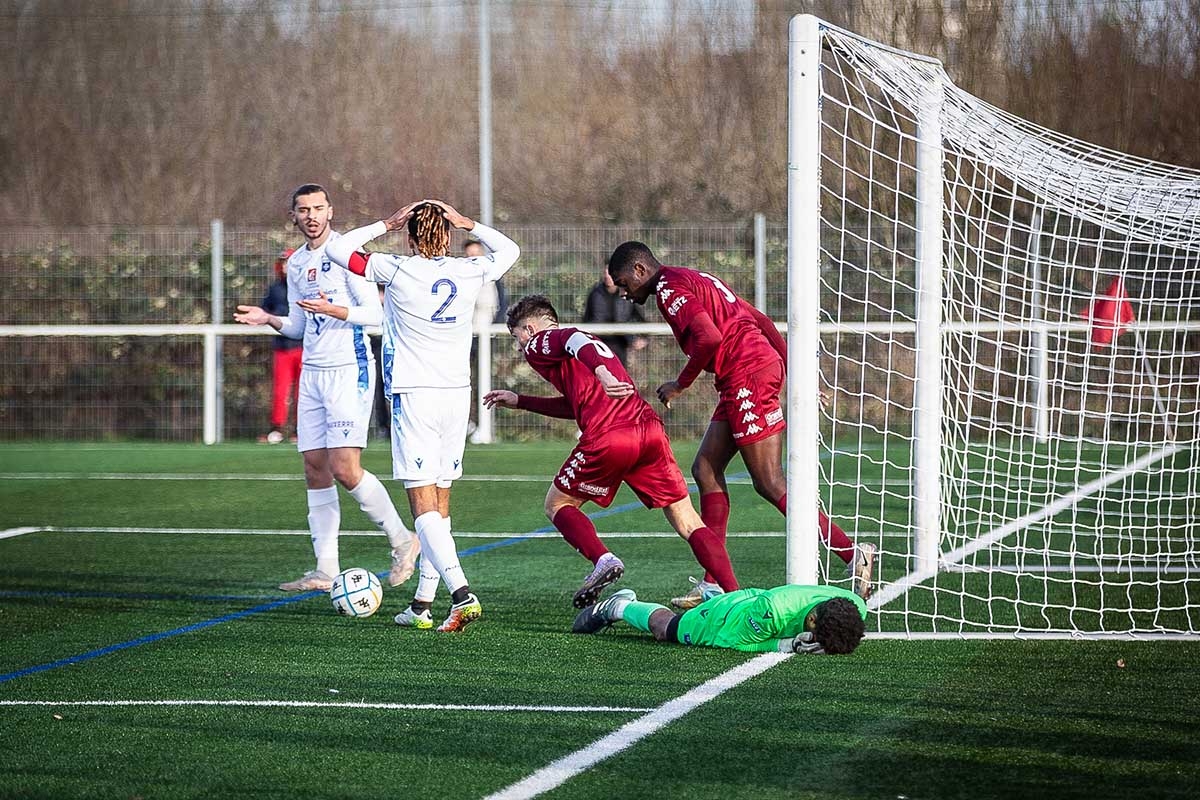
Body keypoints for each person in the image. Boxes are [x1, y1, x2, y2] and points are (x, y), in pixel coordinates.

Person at [607, 241, 877, 607]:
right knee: (705, 468)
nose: (623, 293)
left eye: (623, 283)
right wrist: (796, 371)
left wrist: (678, 384)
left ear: (640, 270)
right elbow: (758, 318)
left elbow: (710, 338)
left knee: (768, 481)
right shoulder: (693, 277)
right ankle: (713, 582)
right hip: (739, 376)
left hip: (747, 374)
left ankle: (851, 553)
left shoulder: (669, 290)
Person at [326, 199, 520, 633]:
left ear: (409, 236)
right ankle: (422, 604)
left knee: (422, 504)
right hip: (456, 394)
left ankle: (462, 593)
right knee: (442, 503)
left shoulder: (395, 268)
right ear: (449, 235)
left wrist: (384, 222)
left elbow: (338, 250)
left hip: (415, 394)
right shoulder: (470, 269)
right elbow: (510, 251)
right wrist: (470, 222)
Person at [483, 295, 739, 609]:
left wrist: (603, 372)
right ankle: (735, 595)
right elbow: (575, 405)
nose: (519, 347)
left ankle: (602, 560)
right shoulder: (570, 355)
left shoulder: (542, 342)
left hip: (610, 435)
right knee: (688, 521)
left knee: (557, 504)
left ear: (530, 328)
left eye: (516, 337)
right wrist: (521, 400)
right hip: (648, 429)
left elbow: (573, 338)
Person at [234, 183, 416, 593]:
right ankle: (325, 568)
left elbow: (376, 314)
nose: (312, 215)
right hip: (313, 374)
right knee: (314, 467)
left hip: (348, 369)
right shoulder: (297, 263)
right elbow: (299, 325)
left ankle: (403, 539)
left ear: (330, 212)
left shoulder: (347, 257)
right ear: (294, 216)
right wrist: (269, 318)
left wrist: (336, 309)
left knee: (344, 468)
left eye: (318, 208)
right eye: (304, 209)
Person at [573, 583, 867, 656]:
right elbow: (732, 642)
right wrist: (786, 644)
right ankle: (619, 605)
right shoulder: (774, 611)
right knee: (668, 629)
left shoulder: (855, 607)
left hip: (754, 603)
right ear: (812, 620)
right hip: (726, 619)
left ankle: (710, 593)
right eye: (819, 640)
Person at [257, 248, 302, 444]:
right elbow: (264, 310)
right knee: (280, 389)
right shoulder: (275, 289)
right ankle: (277, 429)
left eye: (289, 262)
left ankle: (300, 430)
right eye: (283, 263)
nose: (285, 267)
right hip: (282, 348)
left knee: (303, 391)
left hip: (303, 348)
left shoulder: (304, 287)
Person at [582, 267, 648, 366]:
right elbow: (587, 319)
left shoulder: (627, 294)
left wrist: (644, 338)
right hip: (599, 343)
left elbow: (639, 317)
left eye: (610, 273)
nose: (607, 277)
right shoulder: (595, 294)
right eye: (605, 273)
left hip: (621, 343)